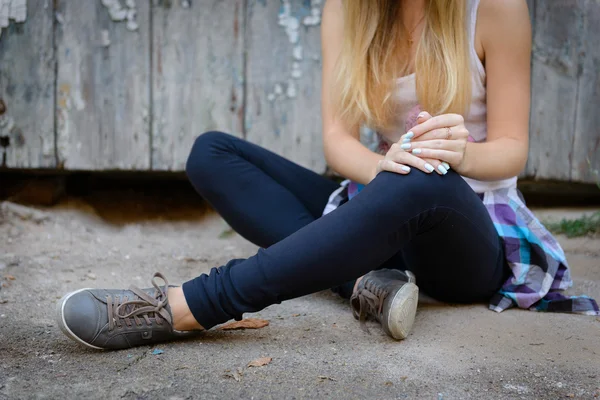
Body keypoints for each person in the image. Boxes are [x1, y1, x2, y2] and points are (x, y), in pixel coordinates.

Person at [56, 0, 599, 350]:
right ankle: (362, 281)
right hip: (379, 196)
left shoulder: (495, 8)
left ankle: (187, 306)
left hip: (467, 227)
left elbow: (512, 150)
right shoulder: (349, 9)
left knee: (421, 180)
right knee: (211, 153)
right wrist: (383, 167)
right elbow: (337, 140)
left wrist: (457, 155)